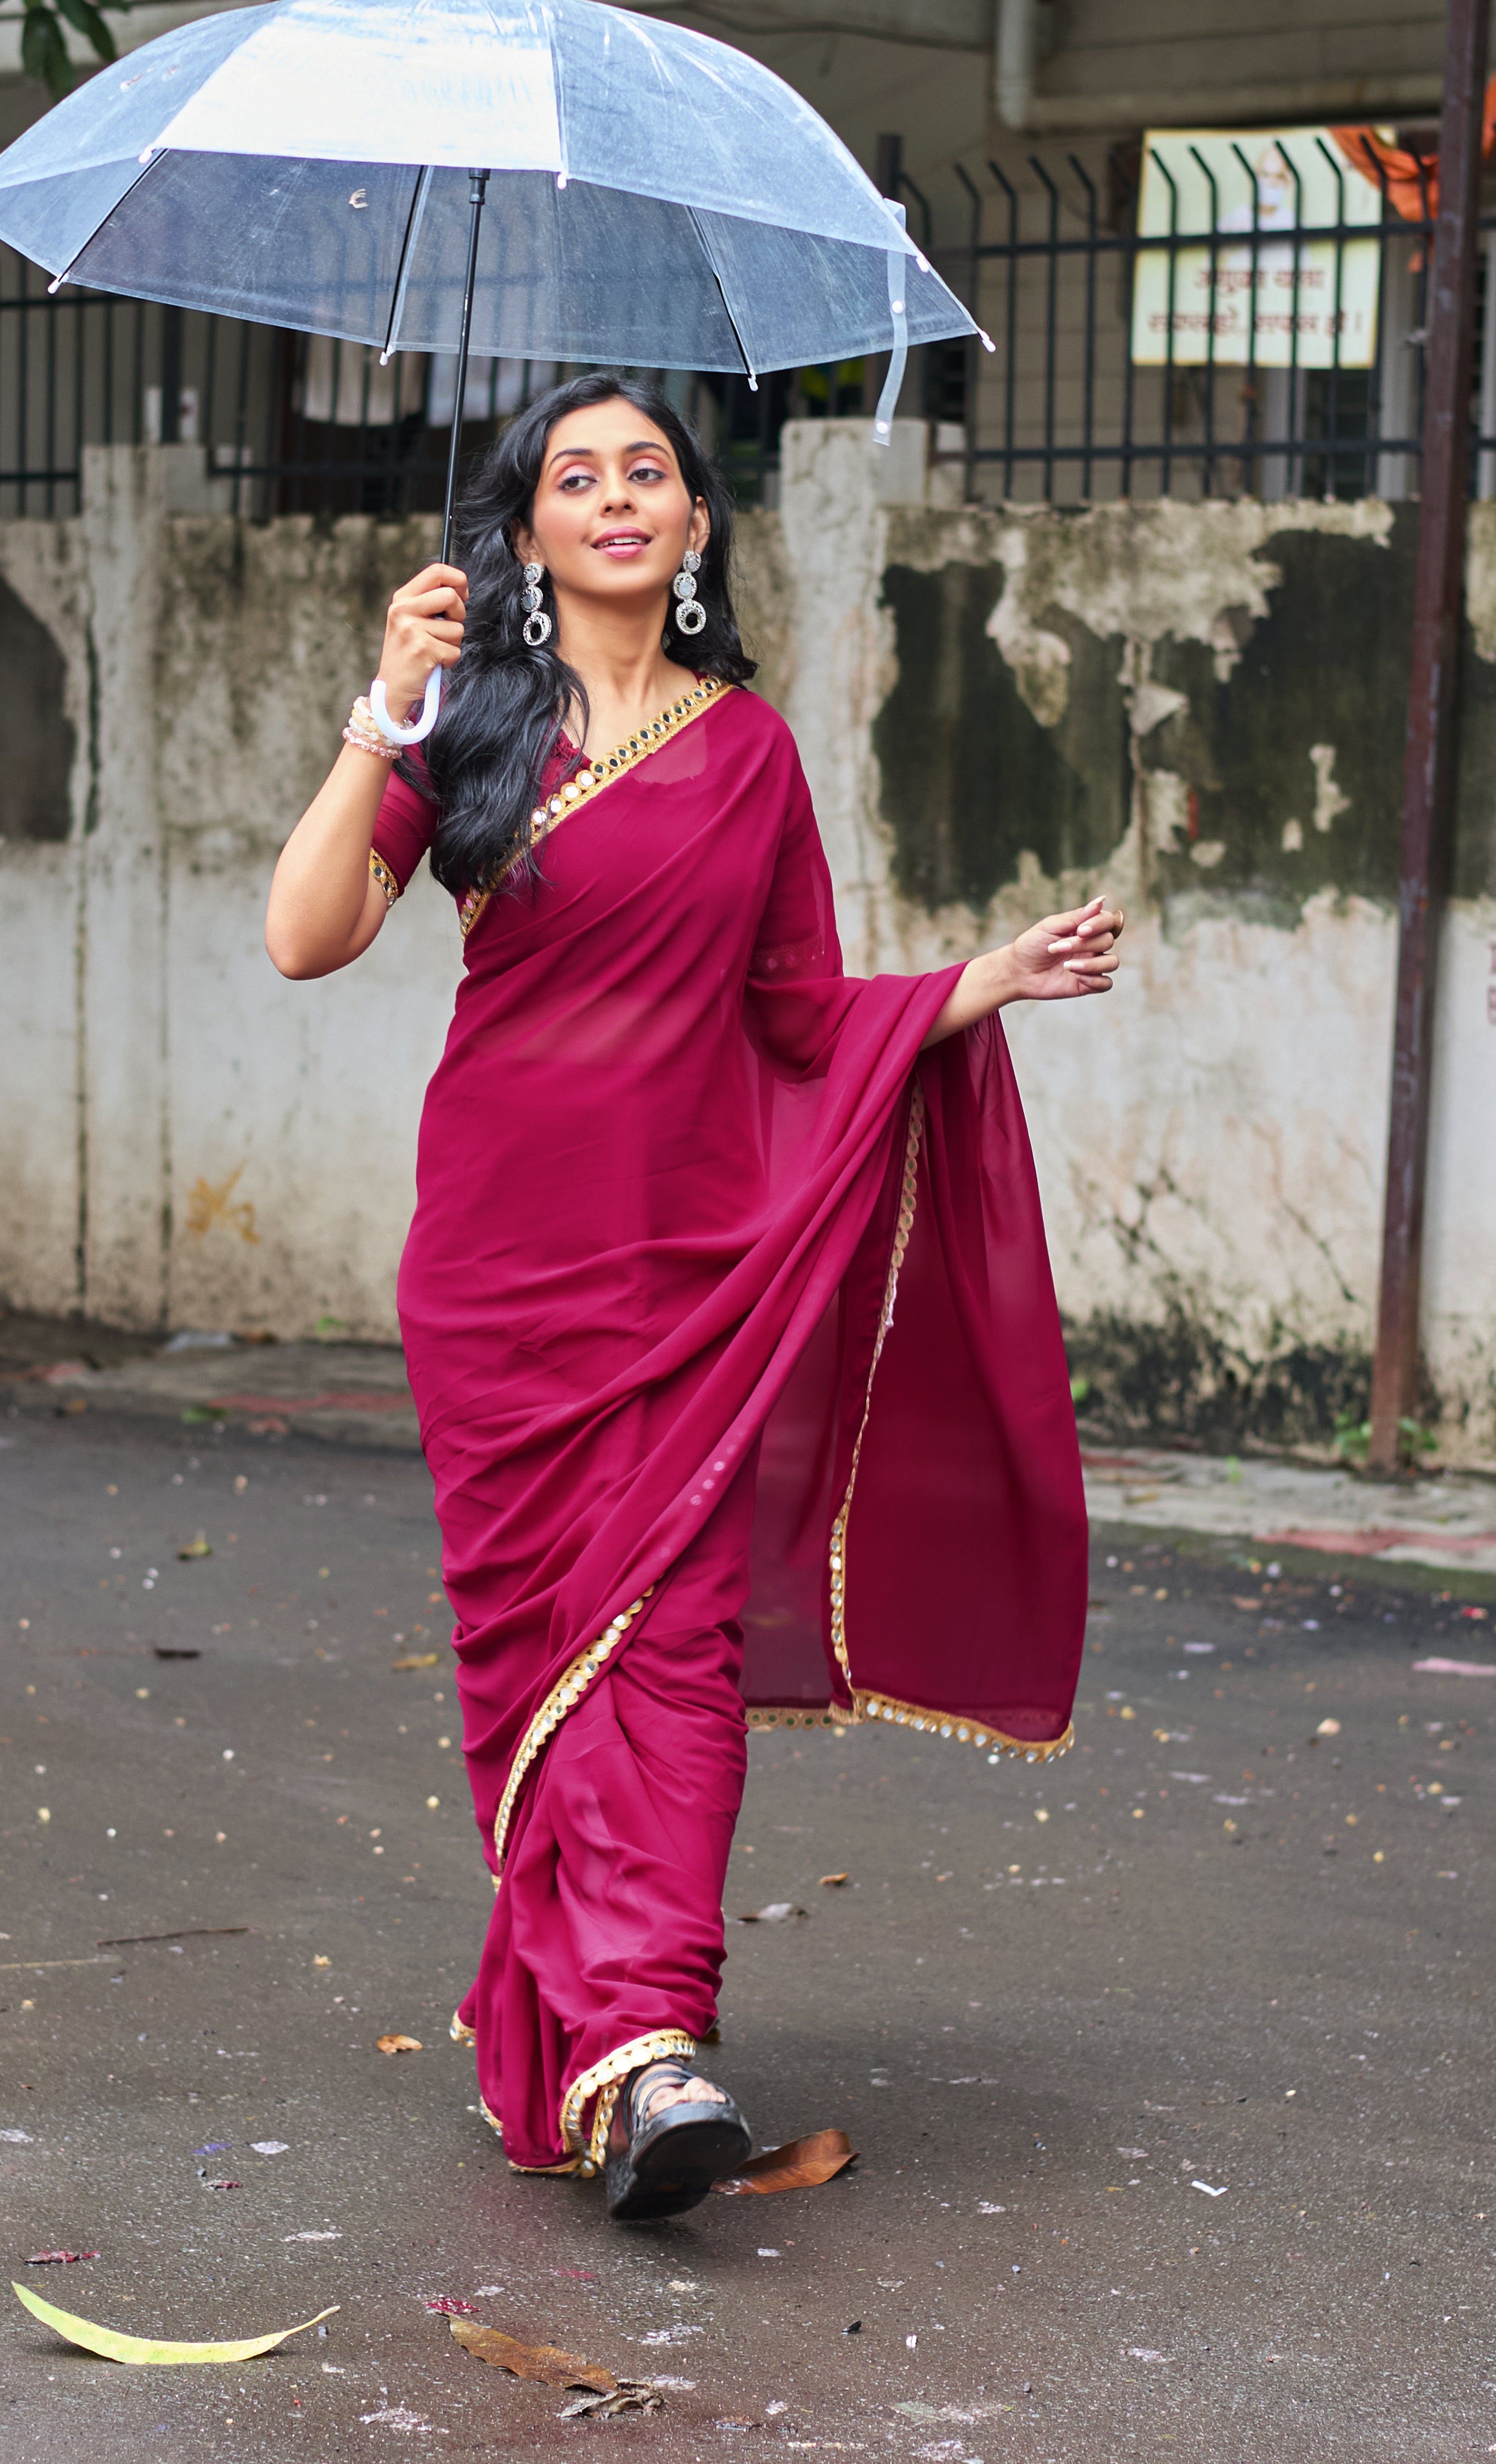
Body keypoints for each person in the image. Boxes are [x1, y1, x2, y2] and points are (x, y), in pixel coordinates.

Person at [266, 375, 1121, 2222]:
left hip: (686, 1273)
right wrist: (377, 718)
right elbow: (306, 935)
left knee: (670, 1656)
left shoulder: (746, 755)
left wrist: (987, 978)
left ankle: (648, 2051)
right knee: (531, 1671)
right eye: (576, 477)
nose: (617, 497)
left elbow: (802, 1019)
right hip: (500, 1268)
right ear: (527, 534)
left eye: (647, 470)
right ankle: (588, 2039)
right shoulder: (467, 727)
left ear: (695, 523)